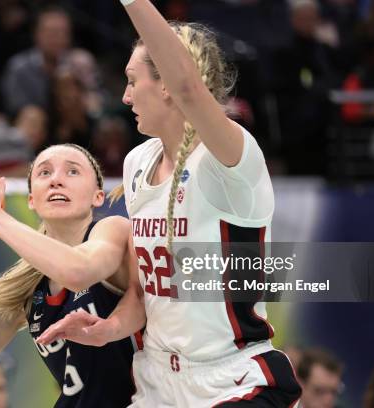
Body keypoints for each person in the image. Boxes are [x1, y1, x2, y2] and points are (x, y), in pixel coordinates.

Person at [39, 0, 302, 406]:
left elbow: (189, 90)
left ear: (166, 85)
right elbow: (146, 293)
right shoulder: (137, 163)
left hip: (232, 380)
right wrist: (108, 329)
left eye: (131, 80)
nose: (125, 97)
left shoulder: (228, 158)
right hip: (156, 384)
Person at [0, 144, 139, 407]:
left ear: (97, 196)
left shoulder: (112, 230)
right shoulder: (30, 286)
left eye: (72, 171)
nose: (56, 179)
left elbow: (78, 270)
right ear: (31, 200)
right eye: (45, 173)